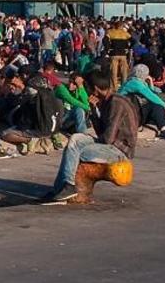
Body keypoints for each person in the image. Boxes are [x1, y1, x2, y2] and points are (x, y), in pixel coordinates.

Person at [44, 73, 137, 203]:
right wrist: (93, 110)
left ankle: (67, 186)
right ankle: (60, 188)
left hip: (119, 151)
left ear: (95, 89)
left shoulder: (116, 103)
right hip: (109, 143)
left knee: (75, 151)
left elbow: (108, 138)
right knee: (75, 139)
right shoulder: (107, 101)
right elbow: (102, 134)